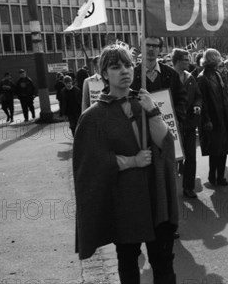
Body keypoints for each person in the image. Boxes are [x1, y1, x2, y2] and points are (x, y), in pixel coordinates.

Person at [73, 43, 178, 283]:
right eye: (116, 66)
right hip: (125, 204)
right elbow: (90, 165)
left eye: (128, 64)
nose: (125, 70)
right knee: (129, 264)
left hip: (155, 197)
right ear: (104, 75)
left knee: (163, 263)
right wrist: (132, 161)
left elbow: (165, 145)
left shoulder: (144, 103)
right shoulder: (93, 116)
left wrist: (152, 111)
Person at [130, 36, 187, 134]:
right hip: (141, 132)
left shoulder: (171, 74)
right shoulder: (132, 75)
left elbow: (182, 98)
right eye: (147, 45)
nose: (151, 49)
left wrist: (176, 117)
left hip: (168, 129)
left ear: (160, 49)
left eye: (155, 46)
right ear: (141, 47)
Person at [197, 48, 228, 186]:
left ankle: (220, 176)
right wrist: (206, 119)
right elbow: (202, 101)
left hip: (222, 116)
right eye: (218, 58)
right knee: (215, 149)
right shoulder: (202, 77)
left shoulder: (217, 74)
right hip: (212, 119)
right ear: (213, 60)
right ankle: (213, 175)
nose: (220, 60)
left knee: (222, 148)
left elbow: (224, 95)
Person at [171, 49, 202, 199]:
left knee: (191, 157)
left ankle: (188, 187)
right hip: (172, 125)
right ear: (177, 61)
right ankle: (168, 190)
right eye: (186, 60)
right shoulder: (168, 77)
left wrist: (198, 105)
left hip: (189, 124)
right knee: (172, 158)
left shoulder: (191, 78)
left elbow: (198, 96)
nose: (189, 62)